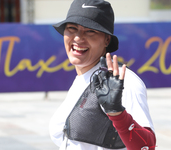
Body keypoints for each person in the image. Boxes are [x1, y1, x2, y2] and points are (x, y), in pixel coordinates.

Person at [49, 0, 156, 150]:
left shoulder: (122, 81)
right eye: (72, 28)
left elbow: (146, 146)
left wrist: (117, 113)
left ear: (107, 39)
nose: (78, 38)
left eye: (90, 31)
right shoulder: (84, 76)